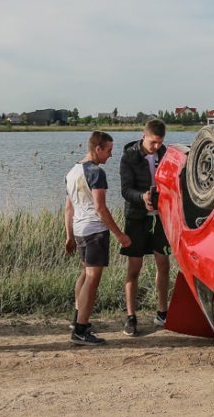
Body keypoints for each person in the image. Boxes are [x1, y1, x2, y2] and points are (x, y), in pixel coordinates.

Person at [64, 131, 131, 346]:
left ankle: (77, 320)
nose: (110, 155)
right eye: (109, 150)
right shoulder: (95, 172)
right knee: (92, 280)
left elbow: (68, 208)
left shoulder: (72, 171)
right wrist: (119, 234)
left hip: (79, 230)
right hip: (94, 231)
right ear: (98, 149)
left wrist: (69, 235)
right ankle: (81, 330)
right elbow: (100, 208)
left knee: (85, 275)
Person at [119, 118, 171, 336]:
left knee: (164, 265)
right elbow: (125, 190)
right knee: (134, 269)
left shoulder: (165, 153)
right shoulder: (129, 156)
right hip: (136, 218)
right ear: (144, 135)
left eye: (160, 143)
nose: (156, 147)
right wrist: (142, 197)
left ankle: (162, 312)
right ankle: (131, 317)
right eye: (153, 143)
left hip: (161, 218)